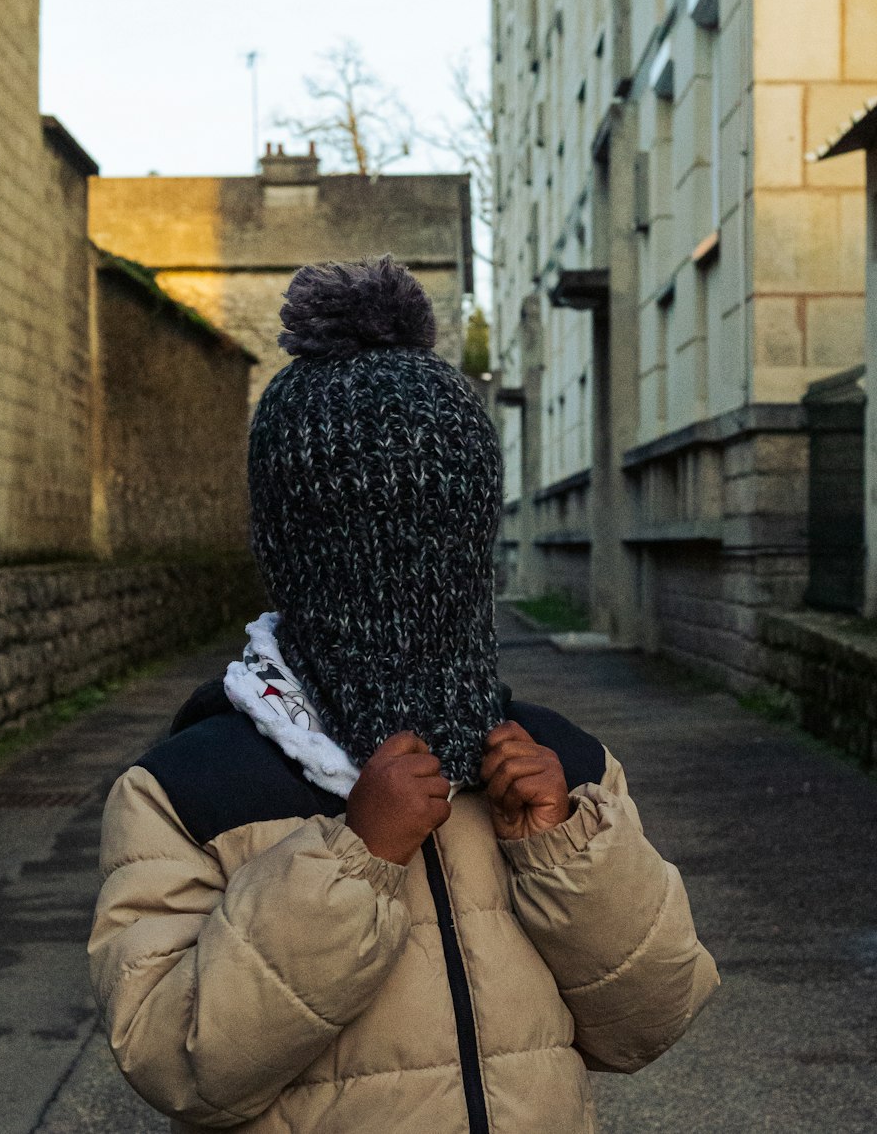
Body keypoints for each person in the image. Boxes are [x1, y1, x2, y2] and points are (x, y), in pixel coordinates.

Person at [88, 255, 719, 1133]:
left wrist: (563, 850)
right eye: (357, 535)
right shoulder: (190, 790)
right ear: (290, 544)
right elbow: (177, 1061)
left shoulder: (562, 768)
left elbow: (651, 1019)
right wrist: (355, 863)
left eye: (441, 529)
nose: (407, 577)